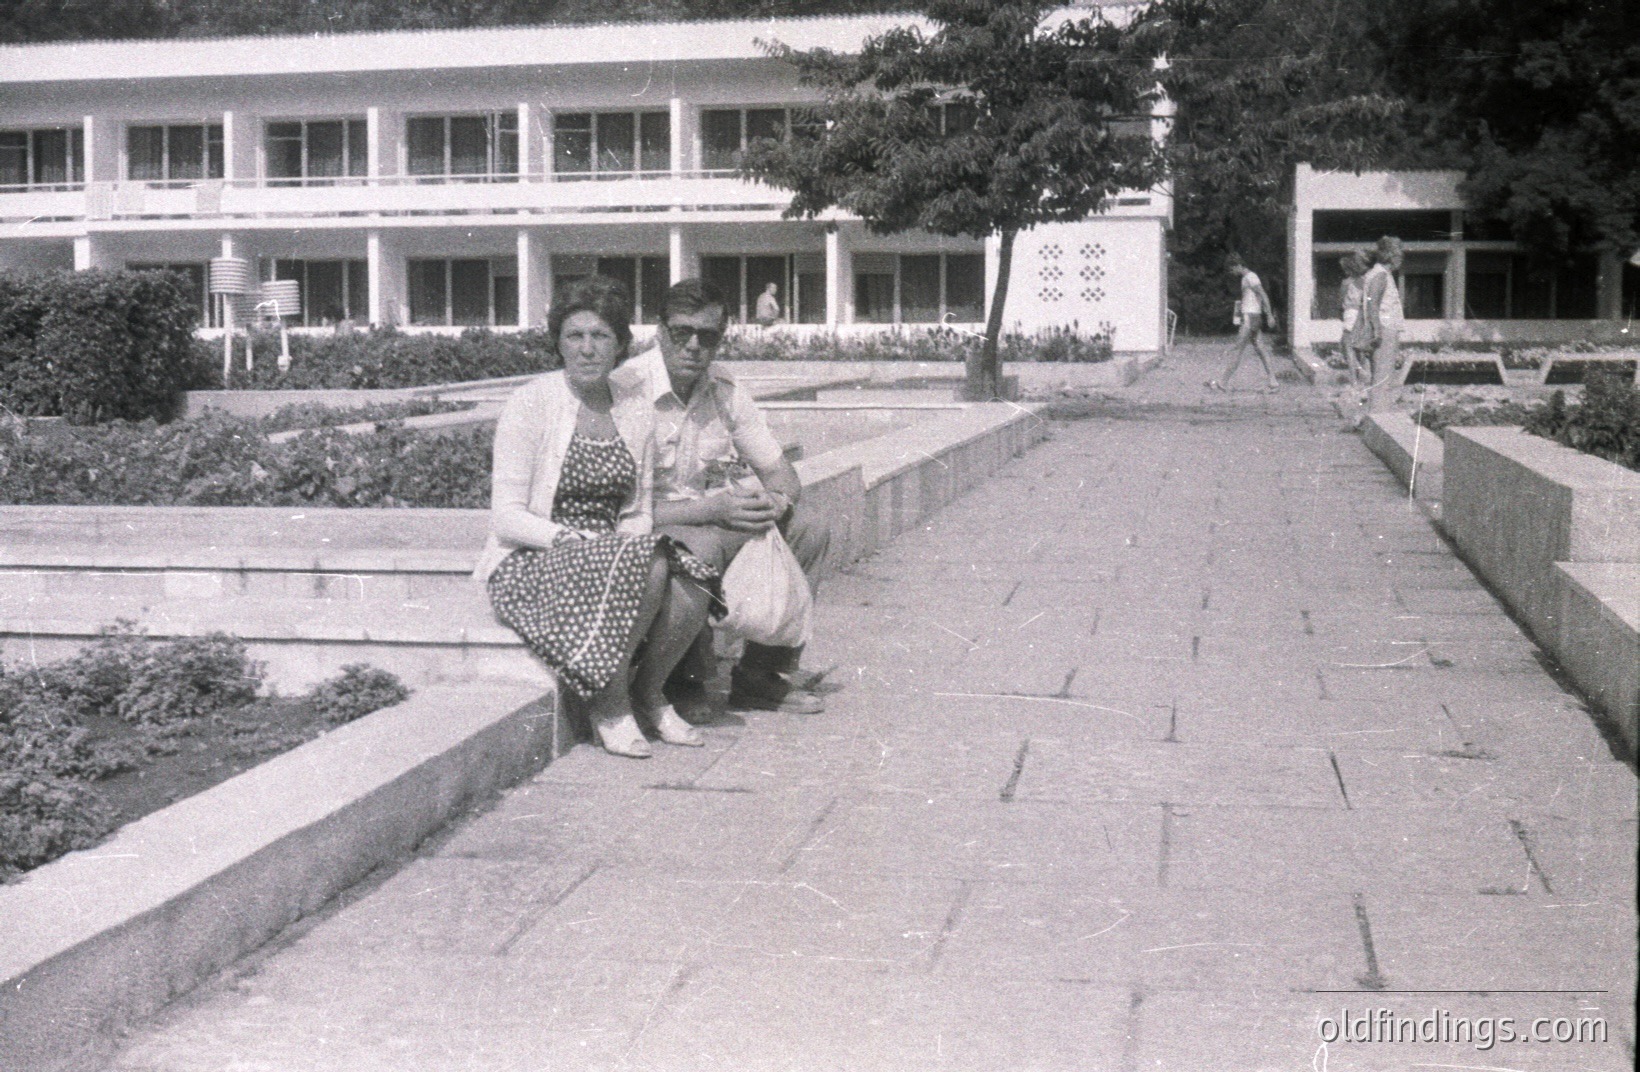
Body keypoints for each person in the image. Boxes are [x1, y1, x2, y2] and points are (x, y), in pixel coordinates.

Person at [475, 276, 717, 759]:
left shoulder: (633, 408)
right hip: (534, 557)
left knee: (694, 578)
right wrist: (576, 539)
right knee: (645, 564)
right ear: (559, 343)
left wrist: (625, 543)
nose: (587, 349)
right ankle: (609, 706)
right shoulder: (532, 402)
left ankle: (649, 691)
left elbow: (637, 508)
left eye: (600, 336)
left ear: (620, 345)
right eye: (575, 336)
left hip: (608, 552)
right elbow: (506, 518)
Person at [613, 277, 831, 715]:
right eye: (682, 333)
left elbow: (781, 473)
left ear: (721, 338)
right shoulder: (627, 389)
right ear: (659, 332)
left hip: (708, 514)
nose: (694, 345)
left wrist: (777, 502)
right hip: (646, 524)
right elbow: (620, 509)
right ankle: (680, 681)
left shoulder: (725, 389)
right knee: (704, 545)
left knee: (810, 527)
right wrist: (711, 509)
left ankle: (759, 676)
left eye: (707, 335)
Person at [1207, 254, 1279, 393]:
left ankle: (1222, 383)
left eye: (1232, 270)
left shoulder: (1250, 277)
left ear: (1238, 265)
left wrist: (1269, 315)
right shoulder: (1247, 278)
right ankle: (1273, 382)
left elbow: (1263, 295)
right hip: (1253, 317)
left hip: (1250, 318)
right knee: (1261, 349)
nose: (1232, 273)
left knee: (1237, 349)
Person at [1361, 236, 1405, 418]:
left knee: (1380, 374)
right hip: (1385, 328)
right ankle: (1379, 414)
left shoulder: (1378, 273)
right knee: (1383, 374)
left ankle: (1377, 412)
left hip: (1384, 326)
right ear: (1390, 256)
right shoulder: (1381, 275)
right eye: (1399, 255)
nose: (1401, 259)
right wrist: (1376, 330)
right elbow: (1372, 304)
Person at [1338, 251, 1372, 386]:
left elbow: (1341, 301)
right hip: (1363, 313)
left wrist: (1340, 313)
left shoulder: (1346, 283)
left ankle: (1354, 379)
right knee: (1360, 347)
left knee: (1346, 346)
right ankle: (1364, 373)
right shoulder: (1365, 281)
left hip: (1351, 313)